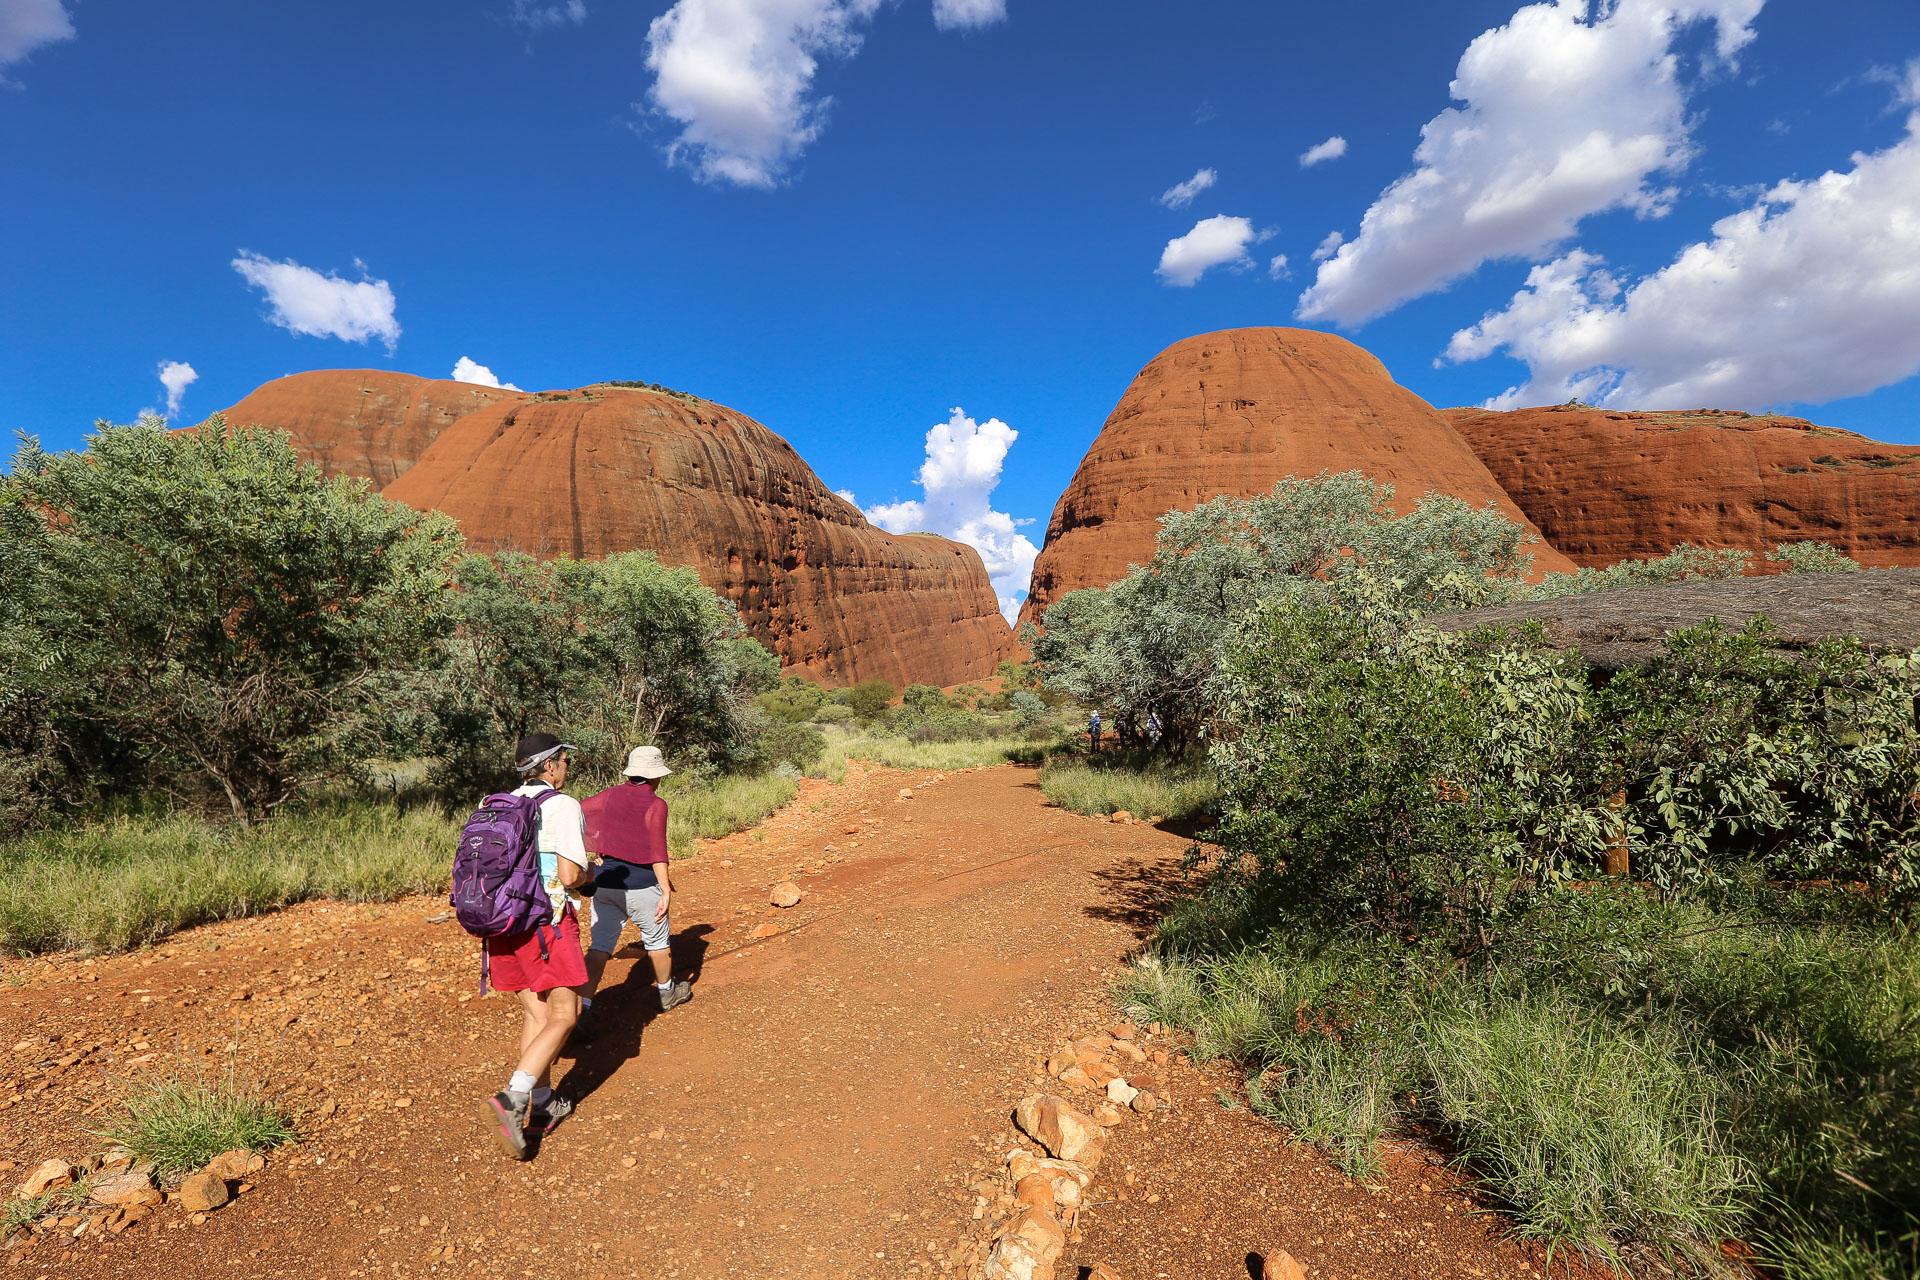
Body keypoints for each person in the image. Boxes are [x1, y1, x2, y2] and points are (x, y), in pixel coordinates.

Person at [479, 732, 591, 1160]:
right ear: (549, 766)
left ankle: (543, 1103)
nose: (566, 767)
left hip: (503, 924)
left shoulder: (494, 805)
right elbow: (567, 876)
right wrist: (588, 871)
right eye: (564, 760)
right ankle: (513, 1097)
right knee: (566, 1013)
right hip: (548, 923)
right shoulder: (563, 806)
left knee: (536, 1012)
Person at [579, 745, 692, 1018]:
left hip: (605, 884)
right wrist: (665, 889)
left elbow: (578, 813)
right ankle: (667, 993)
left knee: (599, 947)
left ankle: (582, 1007)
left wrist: (595, 851)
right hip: (642, 887)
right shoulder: (656, 804)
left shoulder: (609, 795)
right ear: (655, 776)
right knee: (657, 942)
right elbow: (657, 850)